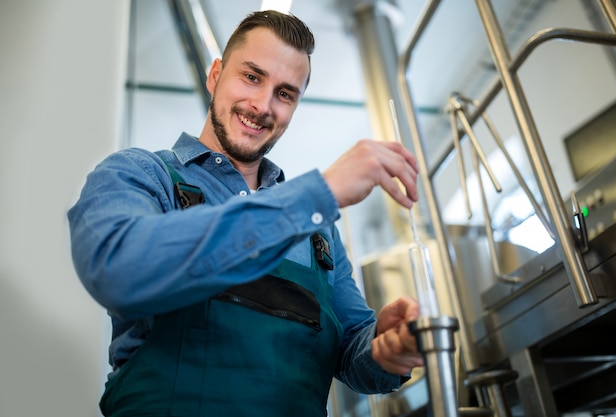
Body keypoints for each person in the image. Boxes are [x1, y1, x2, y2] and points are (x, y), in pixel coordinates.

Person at [68, 9, 423, 417]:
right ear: (215, 74)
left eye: (285, 93)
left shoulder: (318, 233)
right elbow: (116, 268)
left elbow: (350, 350)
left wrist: (385, 345)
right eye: (252, 77)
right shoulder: (143, 174)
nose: (262, 105)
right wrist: (315, 194)